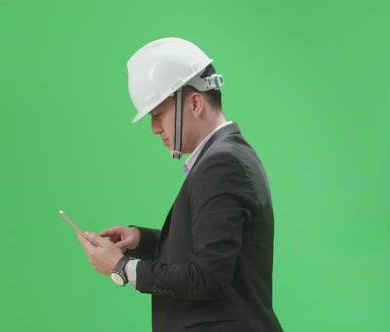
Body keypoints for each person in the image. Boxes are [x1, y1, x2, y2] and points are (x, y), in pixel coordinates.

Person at [76, 37, 284, 332]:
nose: (153, 128)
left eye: (158, 115)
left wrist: (122, 268)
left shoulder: (222, 165)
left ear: (195, 102)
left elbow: (206, 278)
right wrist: (142, 240)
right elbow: (213, 245)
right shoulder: (227, 157)